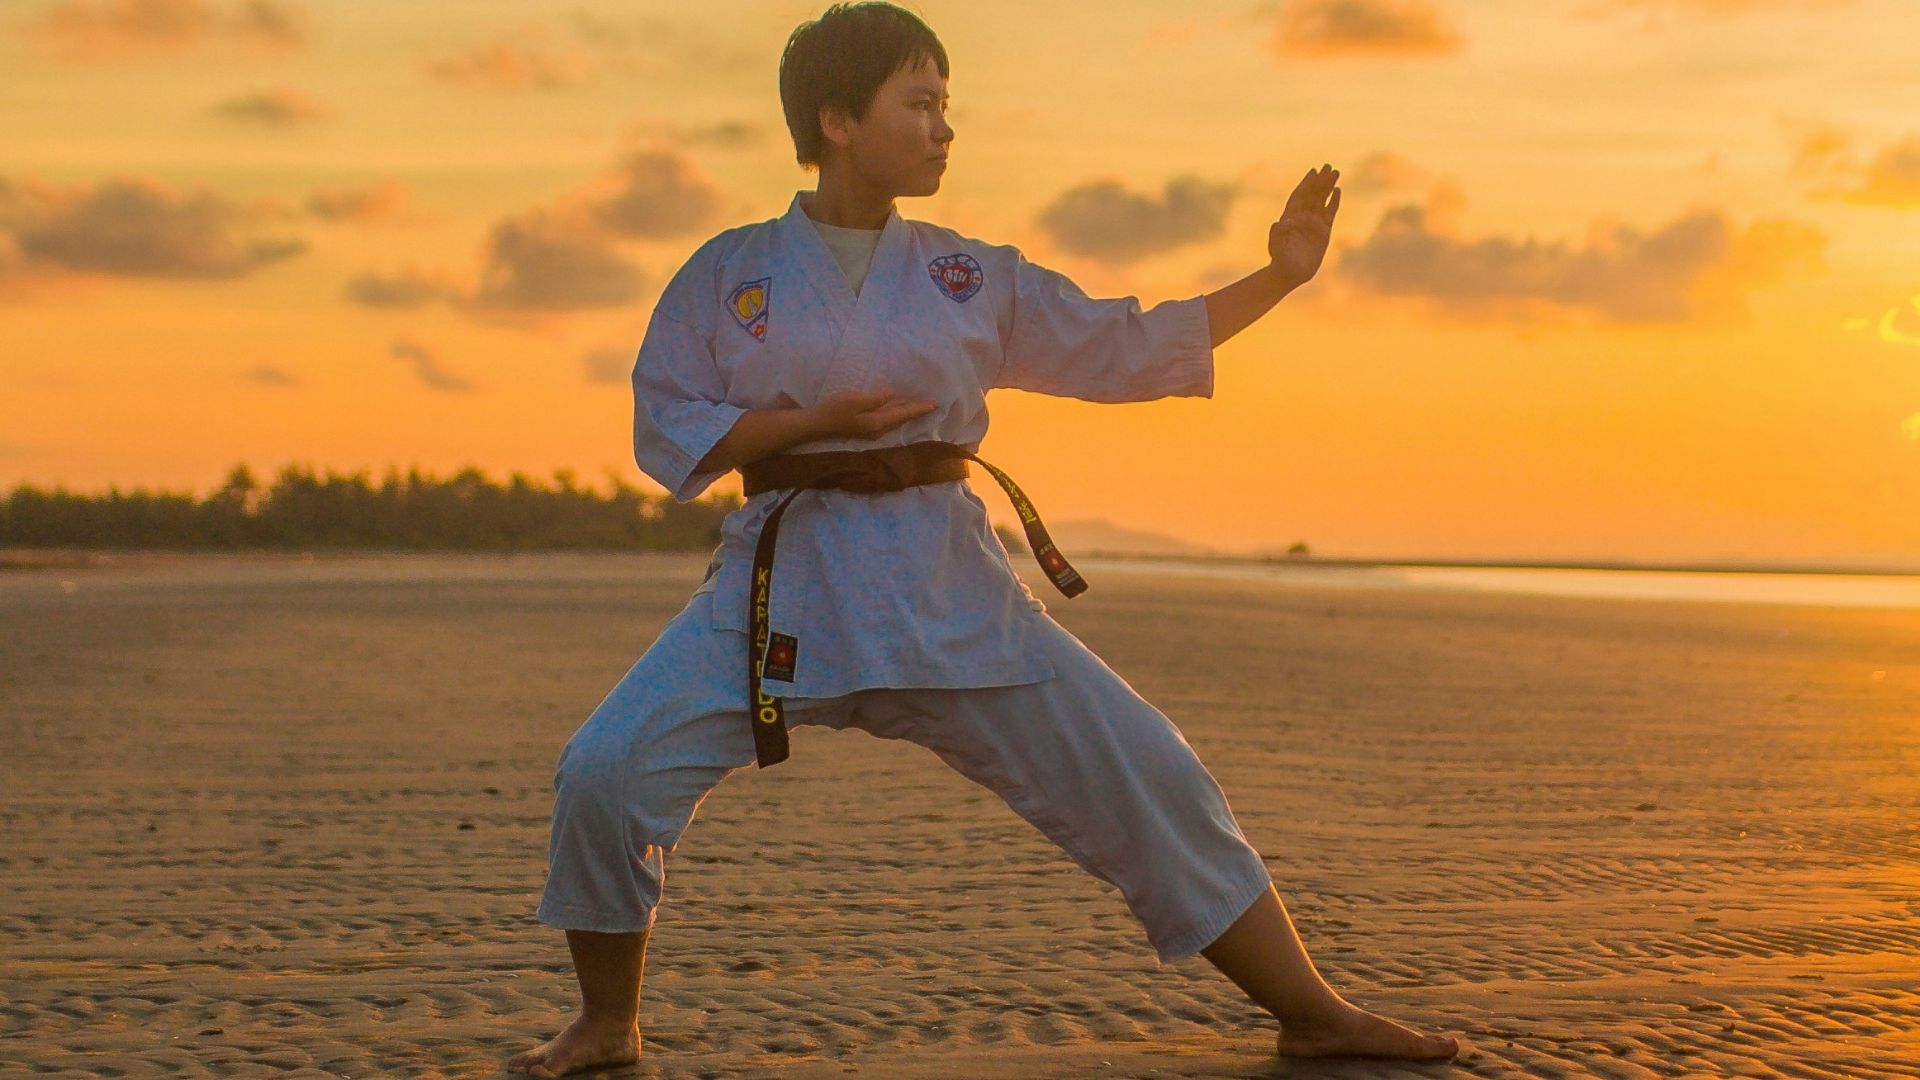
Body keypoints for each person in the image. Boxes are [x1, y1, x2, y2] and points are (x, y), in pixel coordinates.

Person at [509, 3, 1460, 1076]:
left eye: (945, 105)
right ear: (837, 121)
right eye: (920, 104)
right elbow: (667, 422)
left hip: (948, 587)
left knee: (1147, 770)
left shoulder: (969, 275)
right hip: (783, 582)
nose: (945, 128)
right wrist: (811, 423)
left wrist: (1278, 277)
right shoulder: (730, 275)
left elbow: (1125, 345)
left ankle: (1314, 1011)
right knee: (607, 770)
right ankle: (607, 1022)